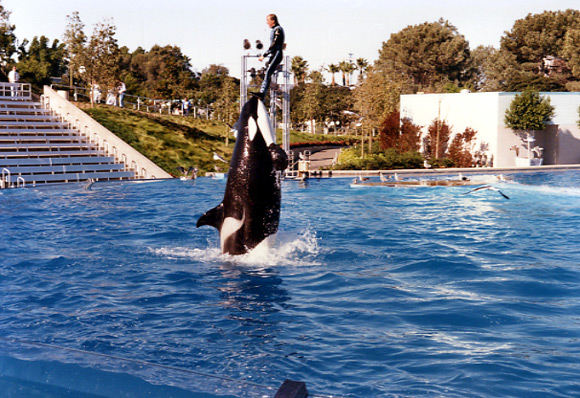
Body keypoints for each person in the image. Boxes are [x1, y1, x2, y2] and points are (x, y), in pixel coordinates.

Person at [257, 13, 284, 99]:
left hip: (277, 53)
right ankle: (263, 92)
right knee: (266, 72)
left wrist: (264, 55)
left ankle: (262, 93)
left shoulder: (278, 29)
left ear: (273, 21)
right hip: (274, 54)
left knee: (268, 72)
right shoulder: (274, 30)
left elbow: (274, 44)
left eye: (268, 21)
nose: (267, 23)